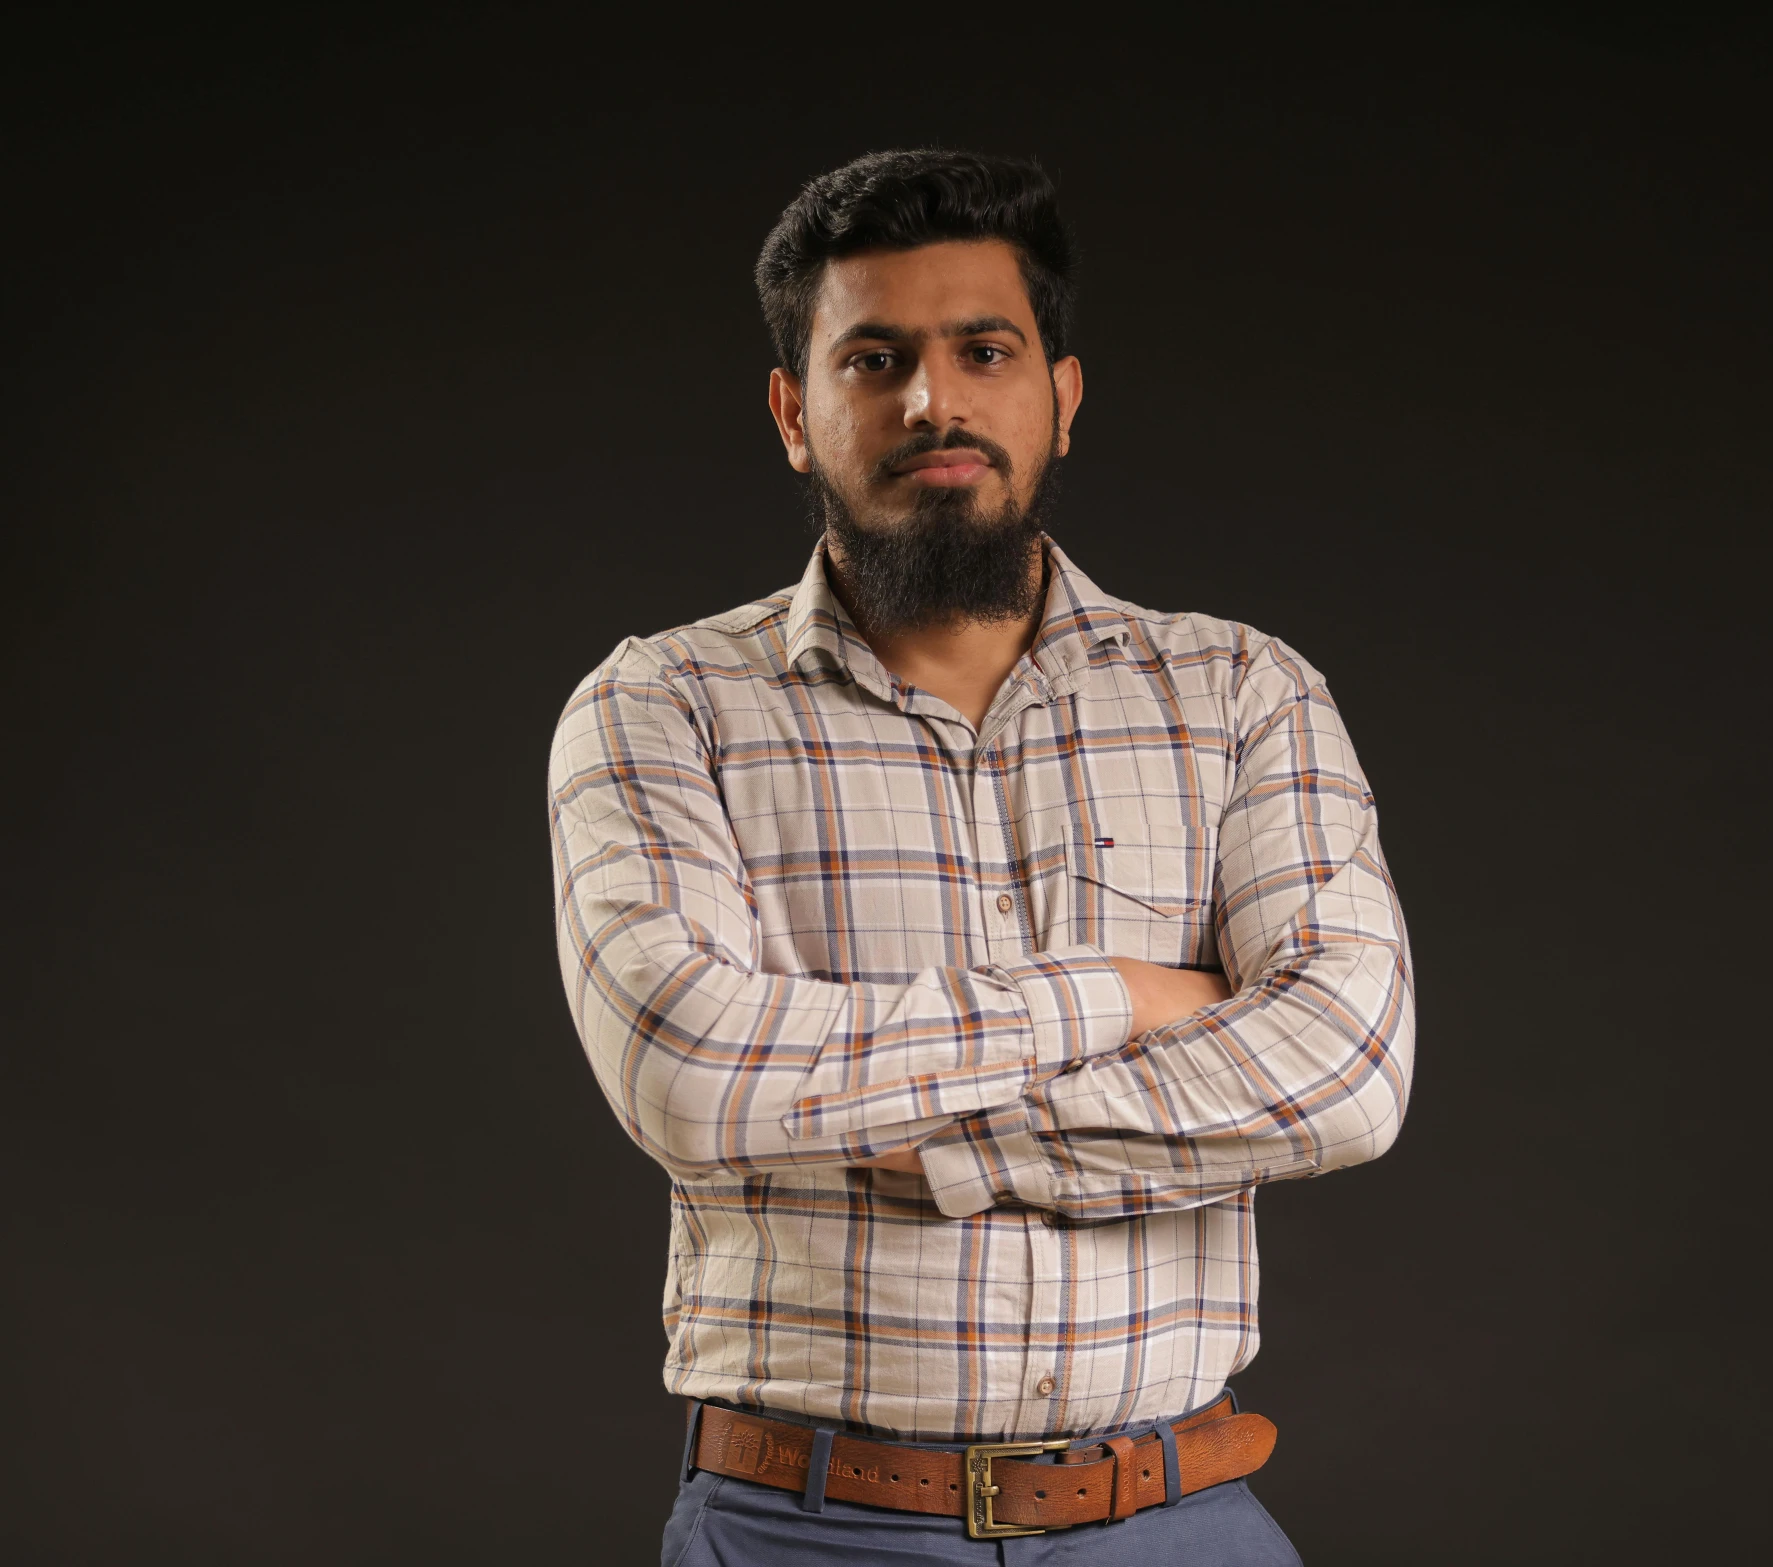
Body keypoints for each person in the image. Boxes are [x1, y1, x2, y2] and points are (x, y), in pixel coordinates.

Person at [546, 148, 1416, 1563]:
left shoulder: (1243, 691)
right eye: (874, 357)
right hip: (803, 1529)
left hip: (1174, 1521)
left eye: (982, 351)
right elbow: (688, 1071)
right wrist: (1123, 996)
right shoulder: (663, 705)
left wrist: (934, 1139)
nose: (930, 400)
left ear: (1059, 398)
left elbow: (1348, 1068)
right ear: (792, 411)